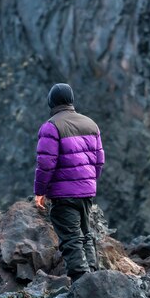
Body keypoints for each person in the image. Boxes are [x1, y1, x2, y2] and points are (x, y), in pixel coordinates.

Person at [33, 83, 105, 282]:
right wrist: (89, 181)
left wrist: (40, 191)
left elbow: (46, 162)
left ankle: (82, 281)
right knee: (86, 234)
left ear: (51, 101)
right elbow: (99, 160)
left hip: (64, 193)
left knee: (71, 238)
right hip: (86, 191)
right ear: (71, 100)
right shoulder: (91, 124)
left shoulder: (51, 126)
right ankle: (94, 277)